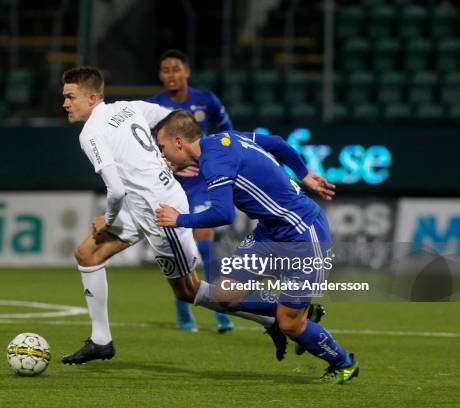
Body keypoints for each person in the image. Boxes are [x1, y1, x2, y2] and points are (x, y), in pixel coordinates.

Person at [59, 66, 286, 365]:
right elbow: (174, 115)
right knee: (87, 254)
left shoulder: (91, 134)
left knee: (188, 291)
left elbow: (114, 190)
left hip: (161, 213)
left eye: (70, 97)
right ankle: (101, 340)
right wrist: (167, 158)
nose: (64, 104)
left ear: (92, 97)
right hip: (142, 206)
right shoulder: (129, 108)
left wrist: (109, 220)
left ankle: (277, 314)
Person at [154, 110, 359, 384]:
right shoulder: (223, 139)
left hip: (303, 234)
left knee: (290, 325)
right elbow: (275, 142)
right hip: (269, 232)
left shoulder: (215, 161)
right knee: (226, 293)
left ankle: (344, 363)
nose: (163, 155)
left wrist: (179, 219)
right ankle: (298, 312)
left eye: (163, 147)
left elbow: (223, 214)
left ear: (179, 142)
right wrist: (303, 174)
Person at [147, 49, 233, 333]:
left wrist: (215, 161)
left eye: (175, 69)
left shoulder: (206, 100)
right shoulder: (153, 106)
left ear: (187, 72)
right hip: (169, 185)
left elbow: (226, 133)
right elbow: (144, 147)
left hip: (200, 183)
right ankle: (183, 312)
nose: (170, 75)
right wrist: (168, 164)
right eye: (165, 70)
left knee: (205, 244)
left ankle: (221, 310)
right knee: (177, 250)